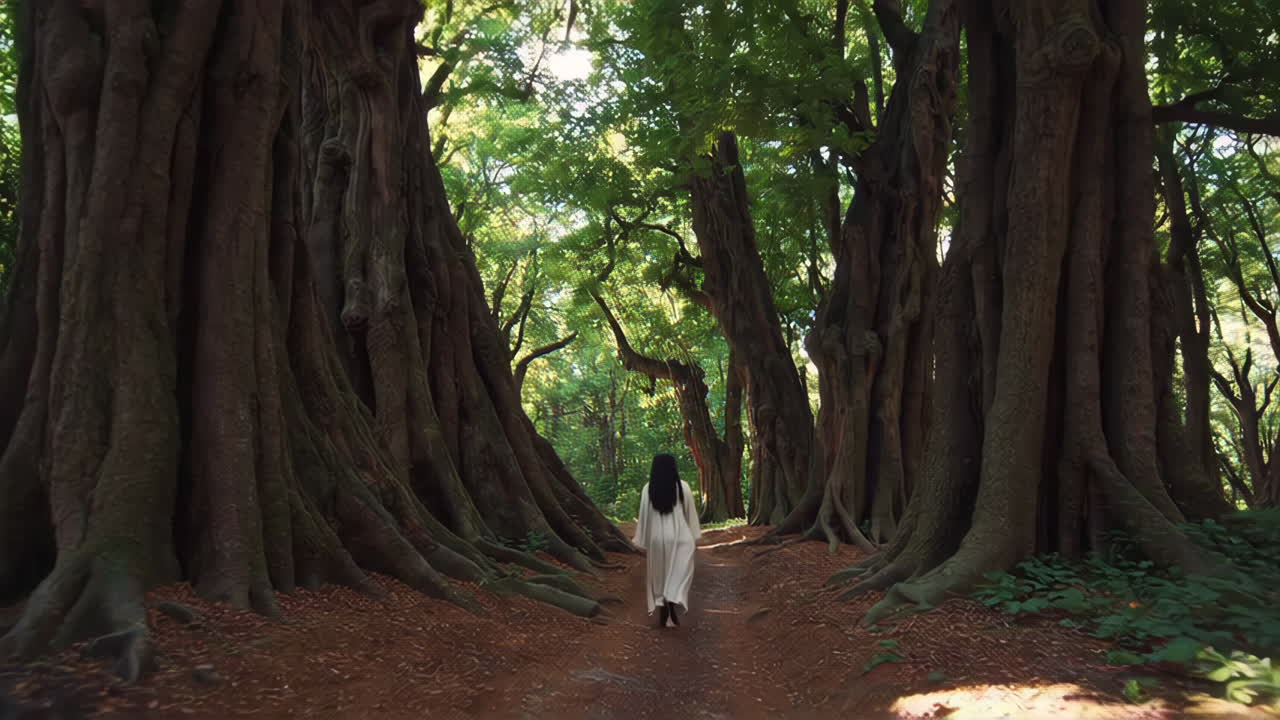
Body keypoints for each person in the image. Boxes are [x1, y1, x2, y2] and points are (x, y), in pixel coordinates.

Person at [631, 453, 701, 628]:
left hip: (657, 539)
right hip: (679, 538)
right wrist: (693, 535)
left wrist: (643, 539)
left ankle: (663, 607)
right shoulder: (683, 487)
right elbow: (690, 514)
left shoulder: (648, 488)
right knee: (679, 571)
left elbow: (644, 516)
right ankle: (673, 600)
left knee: (660, 573)